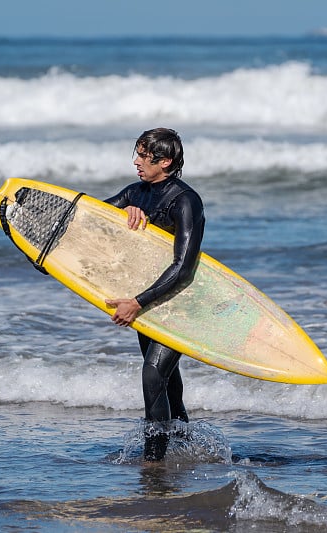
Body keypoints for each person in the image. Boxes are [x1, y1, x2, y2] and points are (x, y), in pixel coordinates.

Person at [103, 128, 205, 461]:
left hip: (177, 302)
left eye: (143, 156)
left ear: (165, 161)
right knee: (167, 380)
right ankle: (188, 450)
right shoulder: (135, 192)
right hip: (148, 304)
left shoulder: (185, 201)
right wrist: (122, 216)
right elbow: (90, 221)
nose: (136, 161)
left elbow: (183, 268)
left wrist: (137, 302)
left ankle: (154, 459)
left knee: (153, 373)